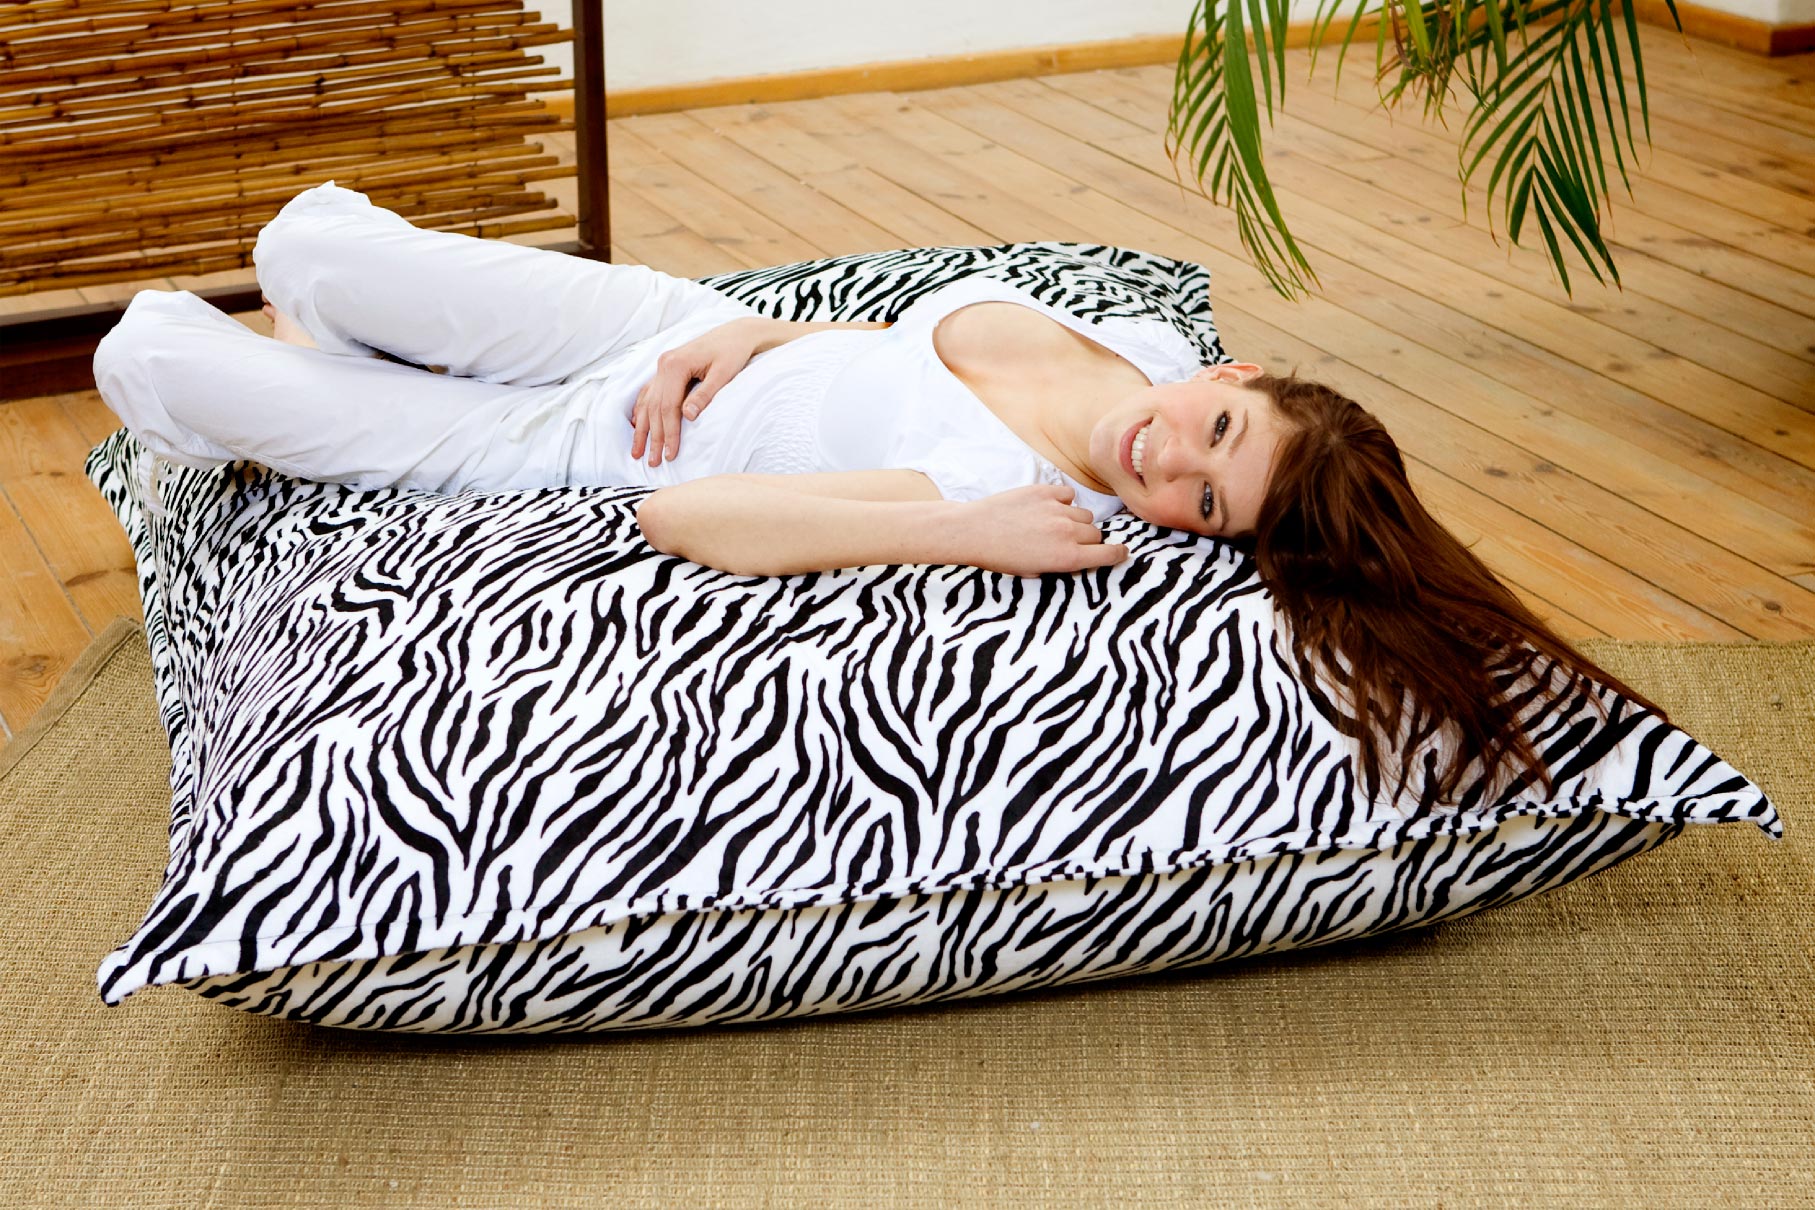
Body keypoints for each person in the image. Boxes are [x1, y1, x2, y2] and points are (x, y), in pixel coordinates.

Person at [92, 181, 1662, 806]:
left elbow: (682, 525)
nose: (1169, 464)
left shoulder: (1040, 512)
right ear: (1236, 374)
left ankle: (354, 377)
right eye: (1215, 431)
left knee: (147, 362)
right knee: (304, 245)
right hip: (670, 332)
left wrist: (953, 529)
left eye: (1204, 503)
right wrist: (757, 332)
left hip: (592, 447)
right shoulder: (1138, 337)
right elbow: (895, 331)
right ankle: (357, 345)